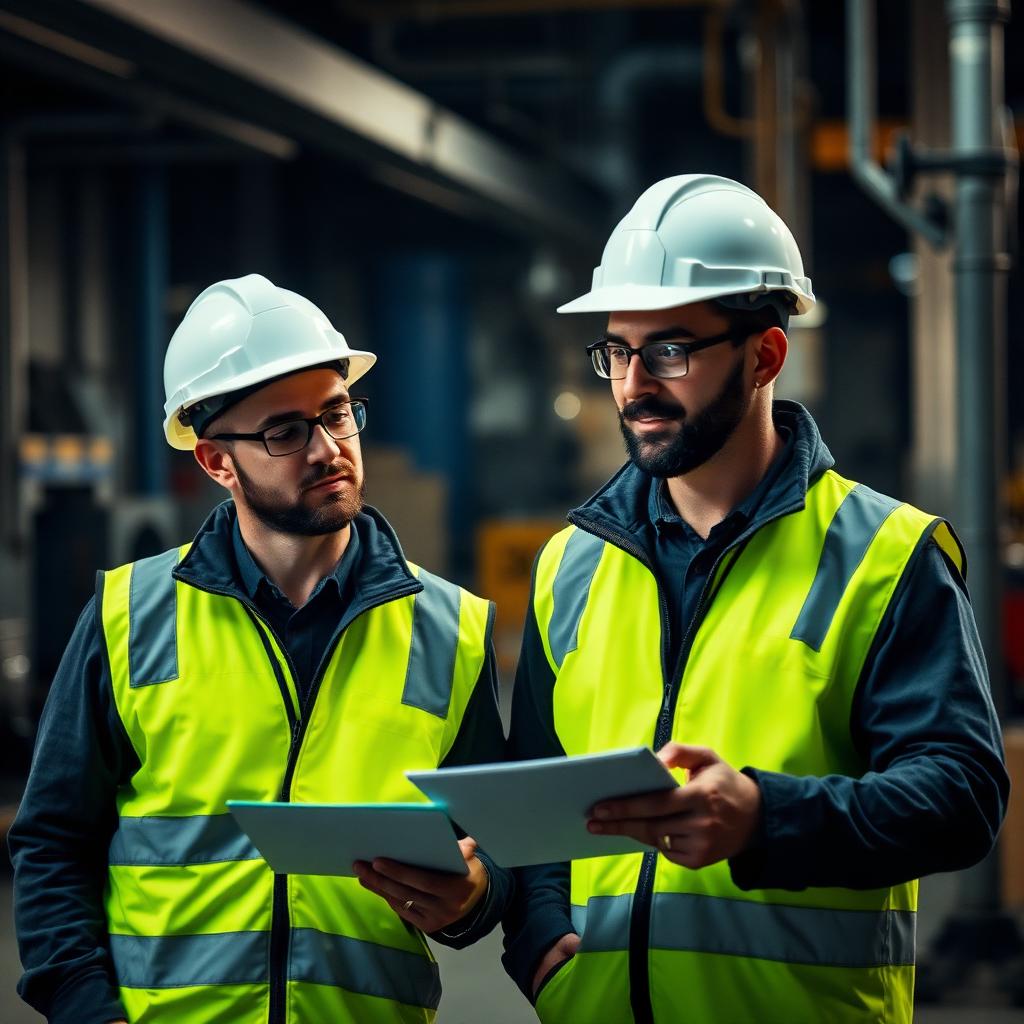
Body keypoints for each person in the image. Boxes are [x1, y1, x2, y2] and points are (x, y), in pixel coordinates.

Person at [501, 174, 1009, 1024]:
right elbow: (534, 796)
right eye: (618, 351)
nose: (632, 386)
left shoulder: (884, 556)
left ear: (765, 355)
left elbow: (959, 797)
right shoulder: (569, 565)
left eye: (670, 350)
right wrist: (538, 936)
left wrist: (766, 819)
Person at [10, 274, 511, 1024]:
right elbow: (53, 841)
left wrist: (473, 897)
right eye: (285, 431)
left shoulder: (451, 627)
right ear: (216, 462)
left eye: (338, 415)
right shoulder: (129, 616)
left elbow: (497, 846)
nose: (327, 449)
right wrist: (86, 1006)